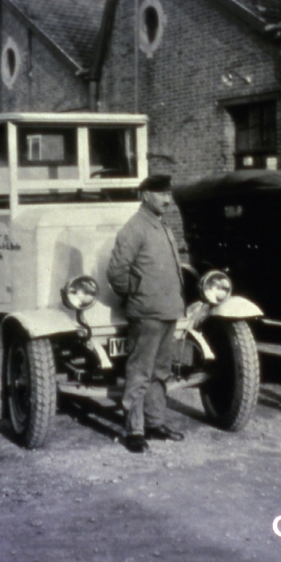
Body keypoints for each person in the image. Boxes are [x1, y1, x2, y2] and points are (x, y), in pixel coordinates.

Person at [107, 174, 187, 452]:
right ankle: (135, 430)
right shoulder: (135, 228)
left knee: (161, 371)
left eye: (169, 193)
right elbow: (116, 271)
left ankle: (155, 423)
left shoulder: (161, 226)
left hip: (167, 310)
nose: (167, 199)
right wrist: (137, 292)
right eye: (161, 194)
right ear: (145, 195)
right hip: (146, 312)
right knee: (140, 372)